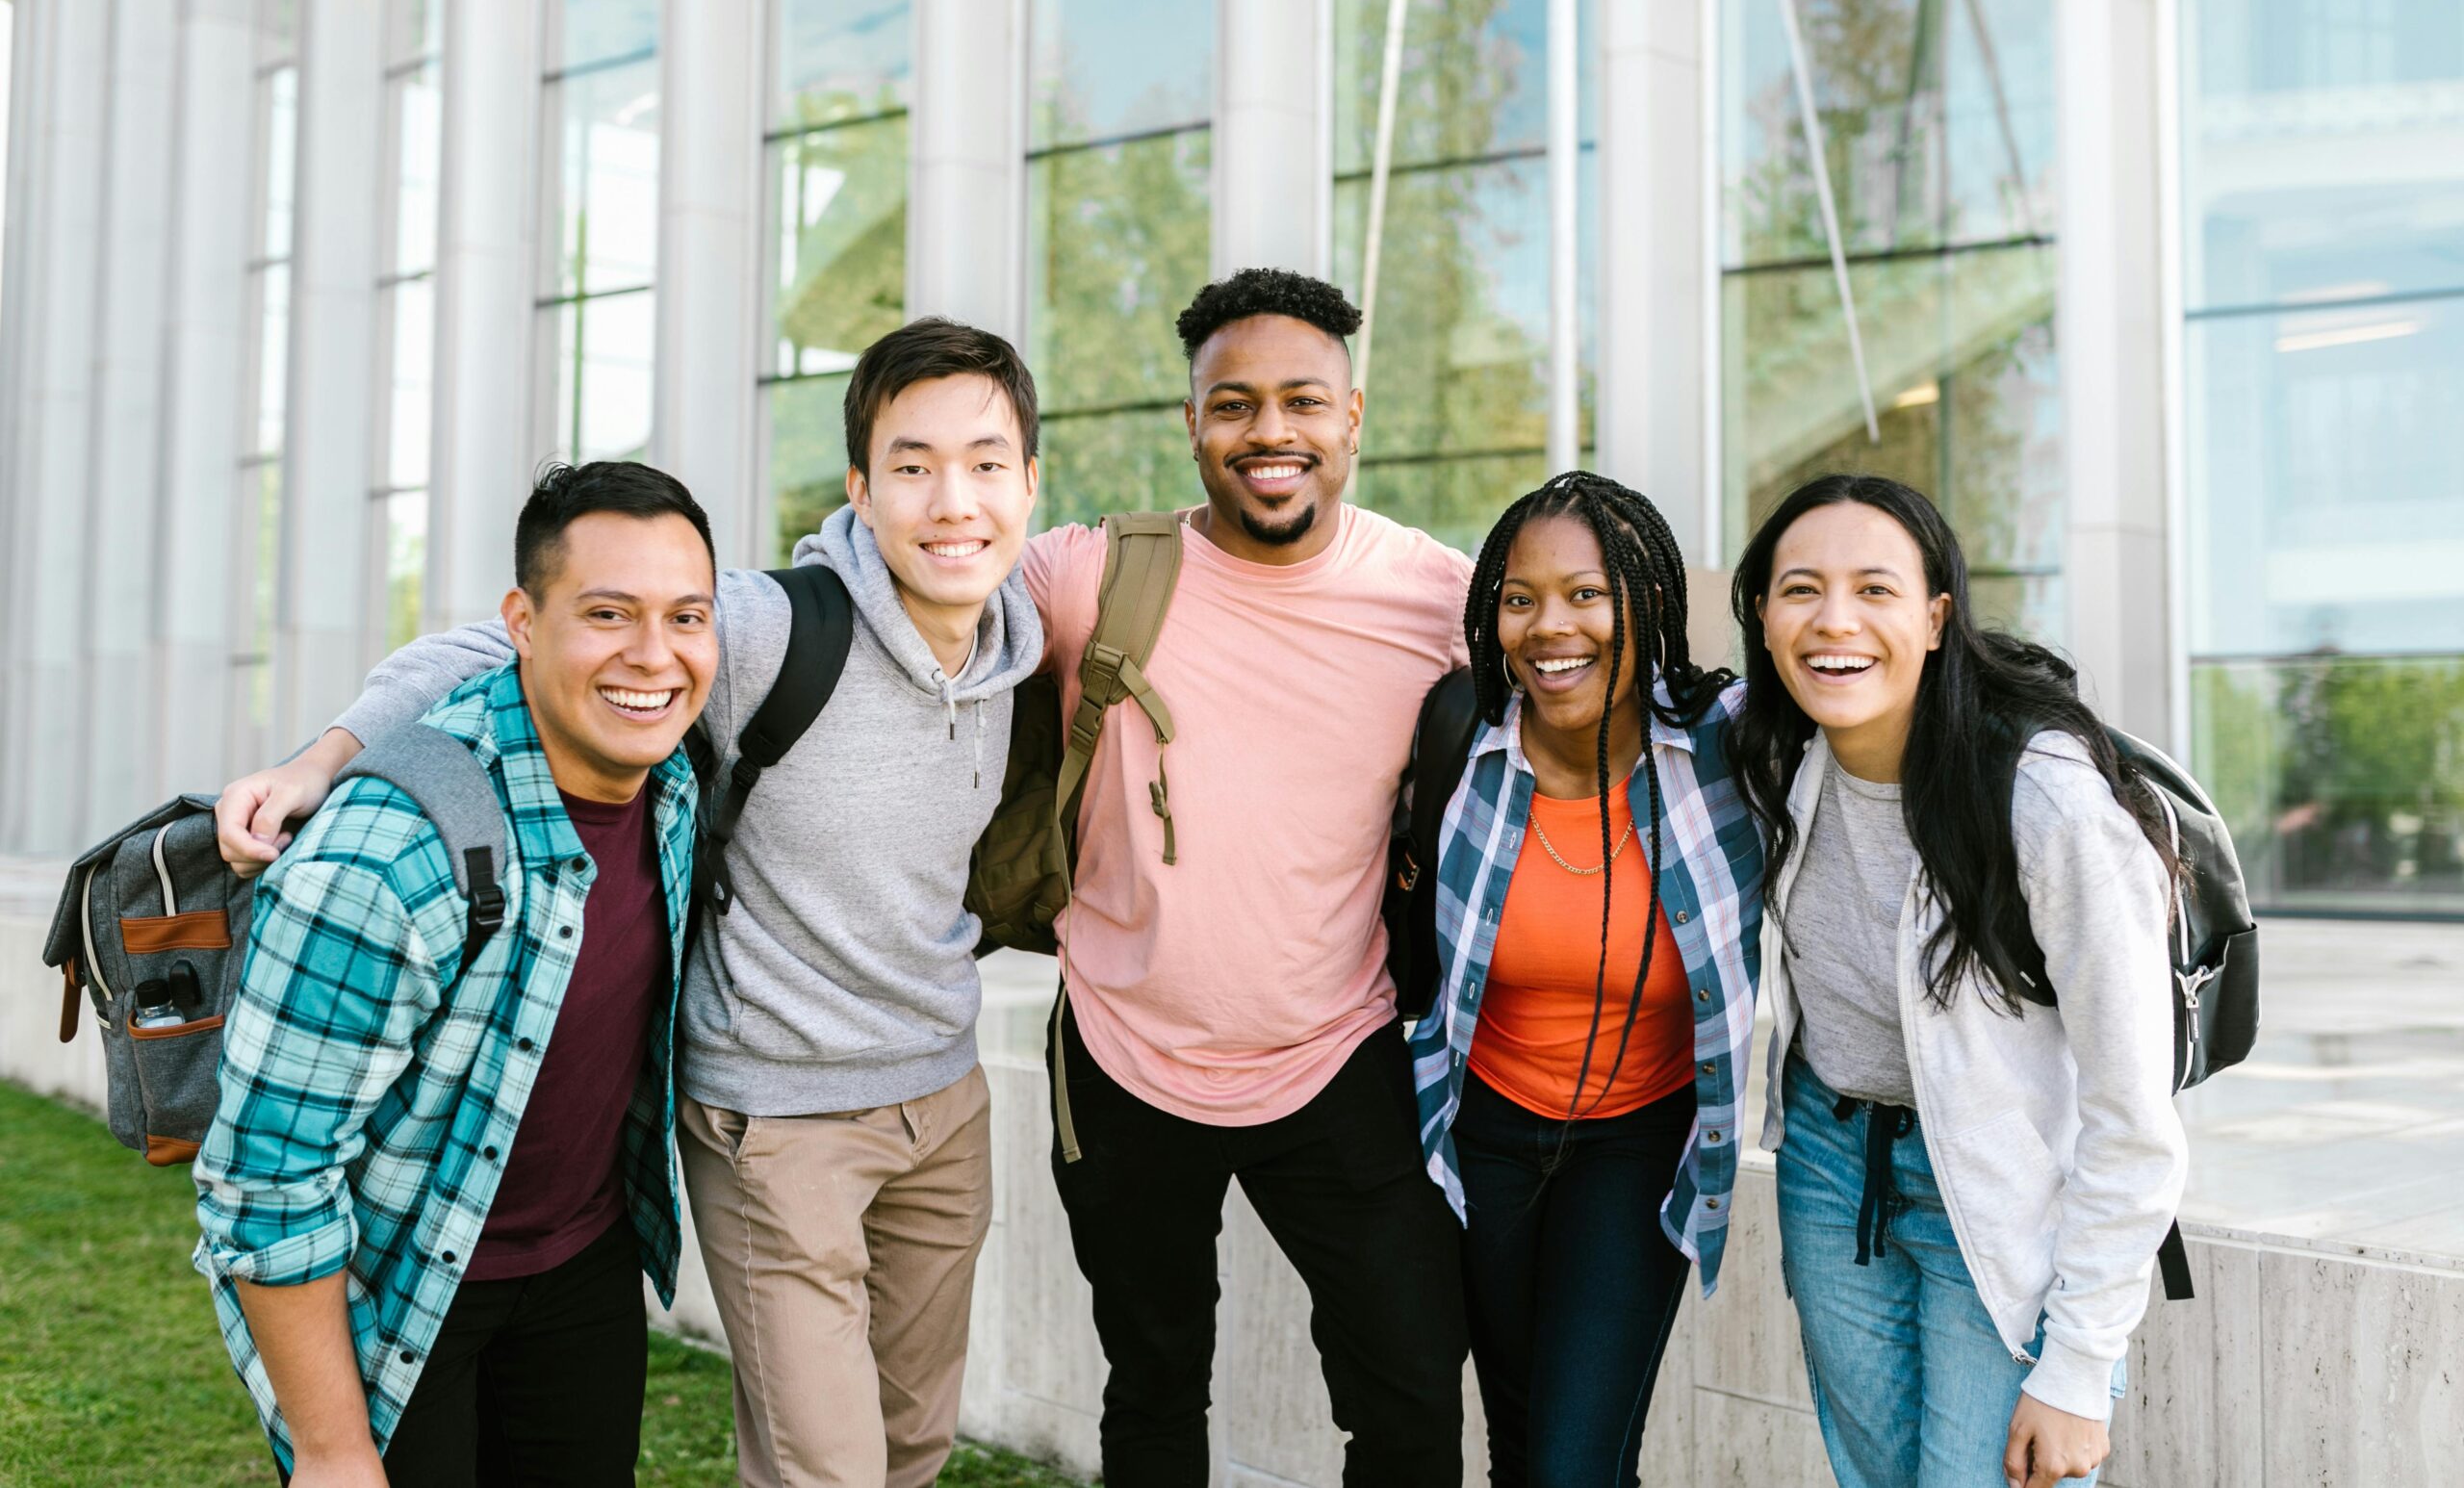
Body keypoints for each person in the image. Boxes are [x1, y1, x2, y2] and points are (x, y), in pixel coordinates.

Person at [212, 320, 1047, 1488]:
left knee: (913, 1448)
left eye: (986, 465)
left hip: (935, 1098)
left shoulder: (1024, 636)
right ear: (861, 488)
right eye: (912, 466)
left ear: (1030, 483)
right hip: (780, 1116)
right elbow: (488, 650)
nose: (952, 499)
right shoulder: (756, 628)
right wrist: (321, 759)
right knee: (831, 1472)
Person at [1019, 268, 1475, 1487]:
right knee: (1155, 1387)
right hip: (1120, 1056)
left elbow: (1606, 677)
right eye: (1233, 404)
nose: (1269, 433)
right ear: (1191, 426)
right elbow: (900, 598)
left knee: (1413, 1397)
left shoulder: (1440, 596)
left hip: (1340, 1050)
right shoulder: (1090, 577)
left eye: (1301, 402)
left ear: (1353, 415)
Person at [194, 461, 719, 1487]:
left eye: (685, 617)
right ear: (521, 622)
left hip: (583, 1263)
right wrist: (337, 1455)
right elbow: (264, 1182)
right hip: (399, 1282)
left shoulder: (675, 776)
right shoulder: (386, 855)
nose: (654, 657)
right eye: (607, 614)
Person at [1728, 475, 2187, 1488]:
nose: (1833, 621)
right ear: (1760, 618)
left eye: (1874, 590)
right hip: (1828, 1168)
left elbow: (2132, 1114)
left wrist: (2078, 1364)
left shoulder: (2044, 803)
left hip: (1997, 1188)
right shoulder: (1773, 757)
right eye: (1799, 589)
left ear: (1935, 618)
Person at [1402, 472, 1764, 1487]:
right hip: (1480, 1134)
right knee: (1525, 1450)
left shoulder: (1723, 743)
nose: (1548, 626)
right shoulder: (1458, 737)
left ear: (1645, 602)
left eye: (1586, 594)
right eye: (1519, 599)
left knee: (1570, 1465)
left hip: (1638, 1143)